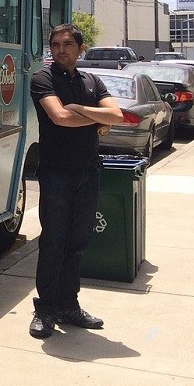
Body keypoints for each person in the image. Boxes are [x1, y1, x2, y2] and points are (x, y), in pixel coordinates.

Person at [28, 23, 123, 338]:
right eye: (55, 44)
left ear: (80, 48)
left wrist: (80, 109)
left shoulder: (92, 81)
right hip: (56, 173)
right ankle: (45, 311)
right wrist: (96, 117)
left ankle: (68, 307)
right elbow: (59, 117)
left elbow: (118, 116)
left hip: (88, 172)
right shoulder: (43, 78)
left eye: (67, 43)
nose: (60, 49)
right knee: (53, 242)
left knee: (77, 244)